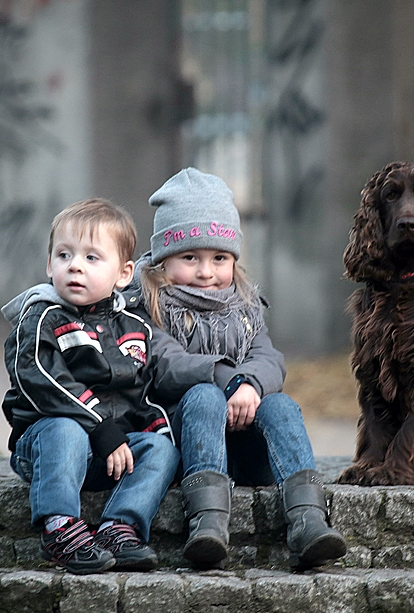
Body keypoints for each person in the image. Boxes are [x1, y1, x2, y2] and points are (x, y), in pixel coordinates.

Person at [129, 168, 348, 569]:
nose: (206, 271)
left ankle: (308, 520)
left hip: (247, 448)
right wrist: (230, 380)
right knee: (202, 394)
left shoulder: (244, 305)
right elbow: (166, 364)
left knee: (280, 405)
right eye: (189, 257)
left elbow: (270, 359)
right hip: (187, 442)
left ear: (234, 259)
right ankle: (208, 523)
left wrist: (249, 383)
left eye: (219, 258)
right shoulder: (151, 305)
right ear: (163, 260)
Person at [0, 198, 181, 575]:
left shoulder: (134, 328)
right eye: (64, 255)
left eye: (92, 258)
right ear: (49, 265)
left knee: (161, 447)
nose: (75, 265)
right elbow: (40, 379)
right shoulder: (40, 318)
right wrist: (99, 425)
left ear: (124, 273)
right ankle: (60, 528)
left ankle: (119, 527)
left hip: (109, 451)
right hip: (49, 445)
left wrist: (156, 431)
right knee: (66, 430)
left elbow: (141, 395)